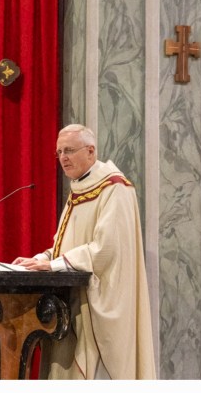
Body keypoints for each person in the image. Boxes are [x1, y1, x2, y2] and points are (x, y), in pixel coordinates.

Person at [12, 124, 156, 379]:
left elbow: (106, 249)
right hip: (70, 299)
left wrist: (55, 265)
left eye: (69, 150)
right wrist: (41, 259)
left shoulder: (114, 188)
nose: (63, 158)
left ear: (91, 151)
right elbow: (66, 243)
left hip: (99, 300)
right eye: (58, 153)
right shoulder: (79, 188)